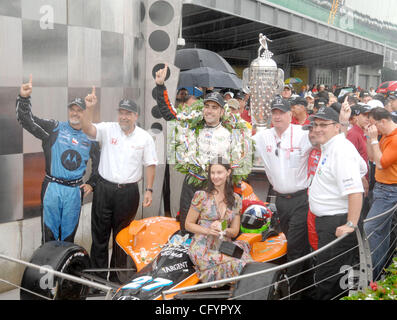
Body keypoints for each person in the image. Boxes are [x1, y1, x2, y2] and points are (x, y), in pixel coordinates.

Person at [154, 64, 250, 230]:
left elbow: (237, 170)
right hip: (192, 183)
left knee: (213, 230)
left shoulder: (231, 133)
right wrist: (160, 85)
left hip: (216, 186)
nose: (209, 111)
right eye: (207, 106)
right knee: (187, 227)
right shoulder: (193, 124)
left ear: (222, 111)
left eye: (214, 107)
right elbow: (169, 114)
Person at [80, 88, 158, 281]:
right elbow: (87, 128)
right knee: (99, 237)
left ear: (136, 116)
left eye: (128, 113)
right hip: (104, 190)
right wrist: (89, 108)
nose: (123, 117)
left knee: (122, 239)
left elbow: (150, 164)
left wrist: (149, 189)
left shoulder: (144, 137)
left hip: (128, 193)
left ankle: (117, 280)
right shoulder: (108, 129)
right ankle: (96, 281)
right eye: (121, 113)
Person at [16, 75, 99, 244]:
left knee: (68, 237)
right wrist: (24, 98)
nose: (75, 113)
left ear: (85, 113)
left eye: (79, 110)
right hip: (52, 188)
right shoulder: (54, 127)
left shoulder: (91, 136)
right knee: (49, 237)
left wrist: (92, 183)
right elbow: (27, 121)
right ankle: (47, 268)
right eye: (72, 109)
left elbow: (99, 163)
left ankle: (65, 268)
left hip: (75, 191)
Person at [252, 97, 314, 298]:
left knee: (296, 248)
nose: (277, 116)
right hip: (280, 201)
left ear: (290, 114)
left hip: (301, 200)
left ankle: (294, 293)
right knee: (296, 246)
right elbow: (239, 145)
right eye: (274, 112)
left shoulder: (302, 134)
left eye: (281, 112)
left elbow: (325, 141)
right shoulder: (263, 136)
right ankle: (306, 287)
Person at [308, 106, 366, 300]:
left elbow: (355, 192)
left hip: (337, 222)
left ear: (336, 127)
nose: (317, 129)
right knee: (331, 273)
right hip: (329, 221)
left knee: (329, 277)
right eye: (315, 125)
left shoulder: (340, 150)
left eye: (323, 125)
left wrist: (350, 224)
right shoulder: (333, 145)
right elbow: (362, 168)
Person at [185, 159, 252, 283]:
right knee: (240, 265)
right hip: (202, 248)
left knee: (250, 264)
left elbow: (235, 231)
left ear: (228, 172)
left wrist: (224, 229)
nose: (215, 177)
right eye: (212, 173)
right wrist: (208, 230)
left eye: (219, 172)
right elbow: (188, 224)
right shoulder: (201, 196)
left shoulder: (236, 199)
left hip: (224, 246)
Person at [364, 107, 397, 280]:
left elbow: (381, 163)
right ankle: (379, 271)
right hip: (381, 187)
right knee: (380, 233)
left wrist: (374, 139)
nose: (373, 128)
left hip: (390, 190)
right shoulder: (384, 136)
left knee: (370, 227)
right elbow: (372, 158)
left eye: (374, 124)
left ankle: (375, 274)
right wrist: (371, 139)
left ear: (382, 122)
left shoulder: (395, 138)